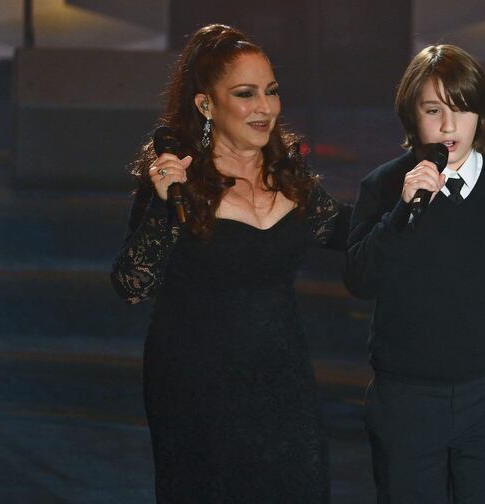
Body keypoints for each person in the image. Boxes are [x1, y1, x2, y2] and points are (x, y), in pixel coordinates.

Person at [111, 24, 349, 503]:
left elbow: (348, 232)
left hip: (281, 377)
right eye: (246, 94)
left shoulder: (290, 174)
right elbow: (132, 285)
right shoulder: (177, 184)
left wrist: (412, 197)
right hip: (195, 384)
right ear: (205, 105)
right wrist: (163, 208)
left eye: (272, 91)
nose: (265, 107)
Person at [343, 44, 485, 503]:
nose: (450, 126)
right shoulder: (384, 186)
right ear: (413, 116)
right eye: (434, 109)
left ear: (480, 116)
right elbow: (359, 281)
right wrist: (402, 213)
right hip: (405, 398)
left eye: (463, 109)